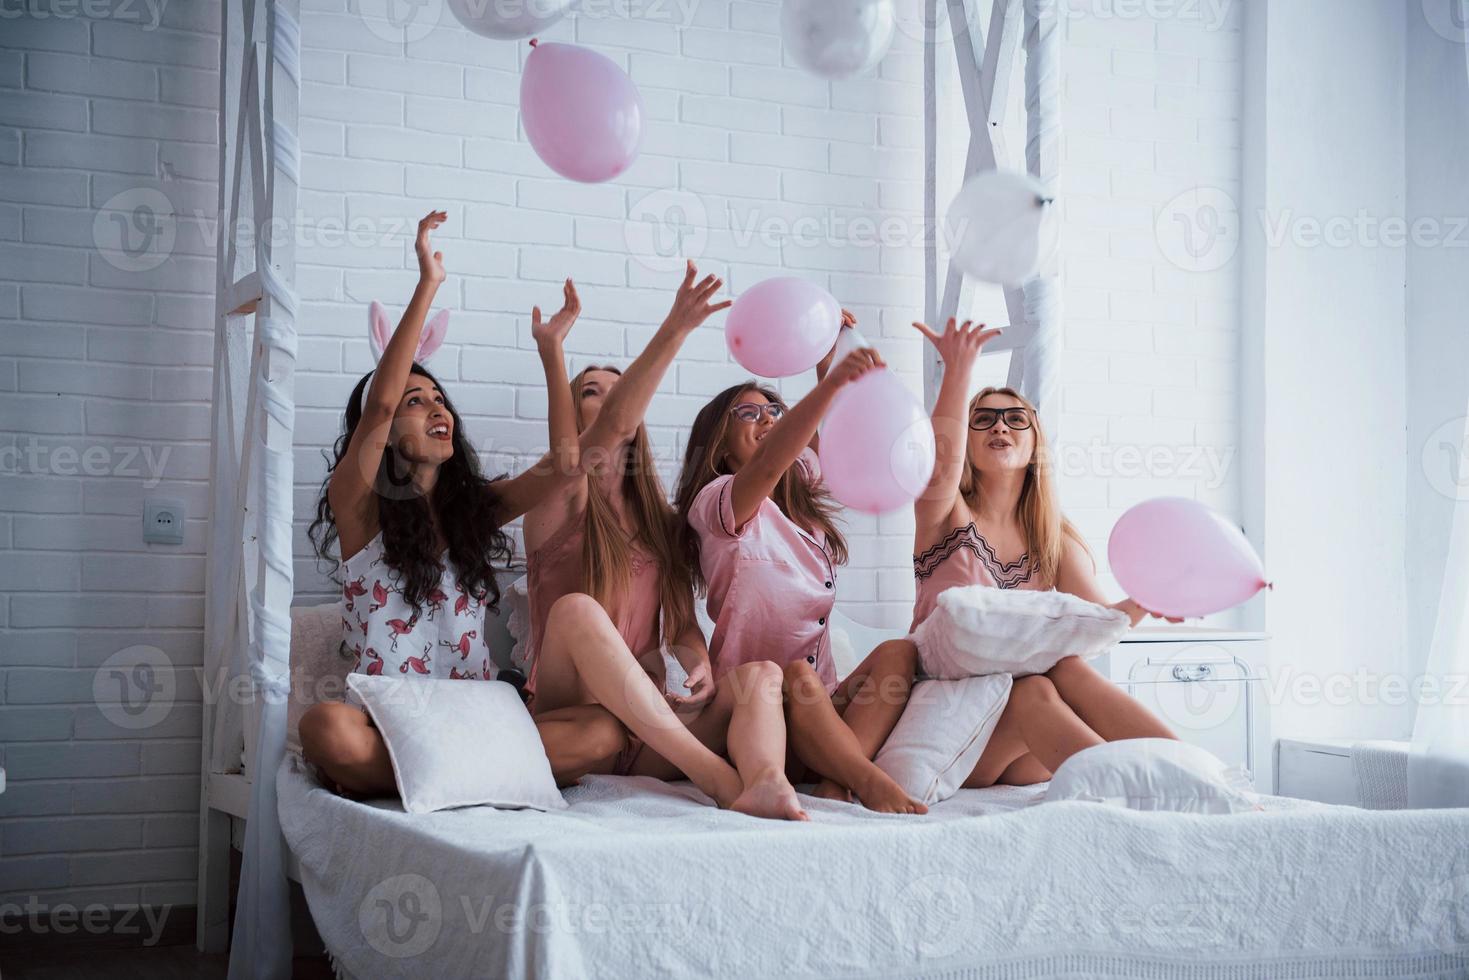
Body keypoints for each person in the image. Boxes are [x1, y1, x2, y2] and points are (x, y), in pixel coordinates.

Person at [911, 317, 1179, 787]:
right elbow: (938, 466)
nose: (1001, 426)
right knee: (1037, 685)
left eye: (1017, 419)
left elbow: (1102, 620)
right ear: (967, 442)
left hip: (1022, 744)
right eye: (984, 418)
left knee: (1066, 670)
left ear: (1036, 443)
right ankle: (1143, 791)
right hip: (952, 735)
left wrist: (1151, 600)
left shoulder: (1052, 536)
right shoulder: (944, 514)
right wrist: (958, 370)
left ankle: (1194, 778)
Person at [676, 320, 928, 814]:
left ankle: (837, 774)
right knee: (793, 674)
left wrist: (827, 356)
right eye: (747, 413)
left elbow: (811, 438)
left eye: (774, 409)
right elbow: (770, 462)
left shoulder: (801, 497)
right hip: (755, 712)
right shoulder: (716, 503)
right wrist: (833, 381)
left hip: (817, 712)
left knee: (897, 653)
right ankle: (862, 778)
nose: (767, 417)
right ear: (721, 445)